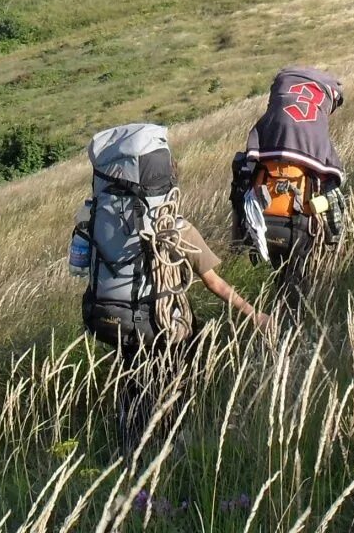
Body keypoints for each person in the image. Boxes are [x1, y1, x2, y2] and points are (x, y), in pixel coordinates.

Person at [75, 123, 268, 455]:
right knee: (174, 374)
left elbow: (78, 266)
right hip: (159, 325)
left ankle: (129, 442)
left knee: (132, 371)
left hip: (106, 316)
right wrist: (254, 314)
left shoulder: (92, 215)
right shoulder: (175, 229)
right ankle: (174, 443)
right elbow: (214, 284)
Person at [230, 66, 346, 278]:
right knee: (298, 280)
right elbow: (334, 177)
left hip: (263, 220)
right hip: (300, 220)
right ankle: (295, 308)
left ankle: (276, 306)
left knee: (278, 276)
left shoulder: (265, 128)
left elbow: (244, 175)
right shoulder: (317, 138)